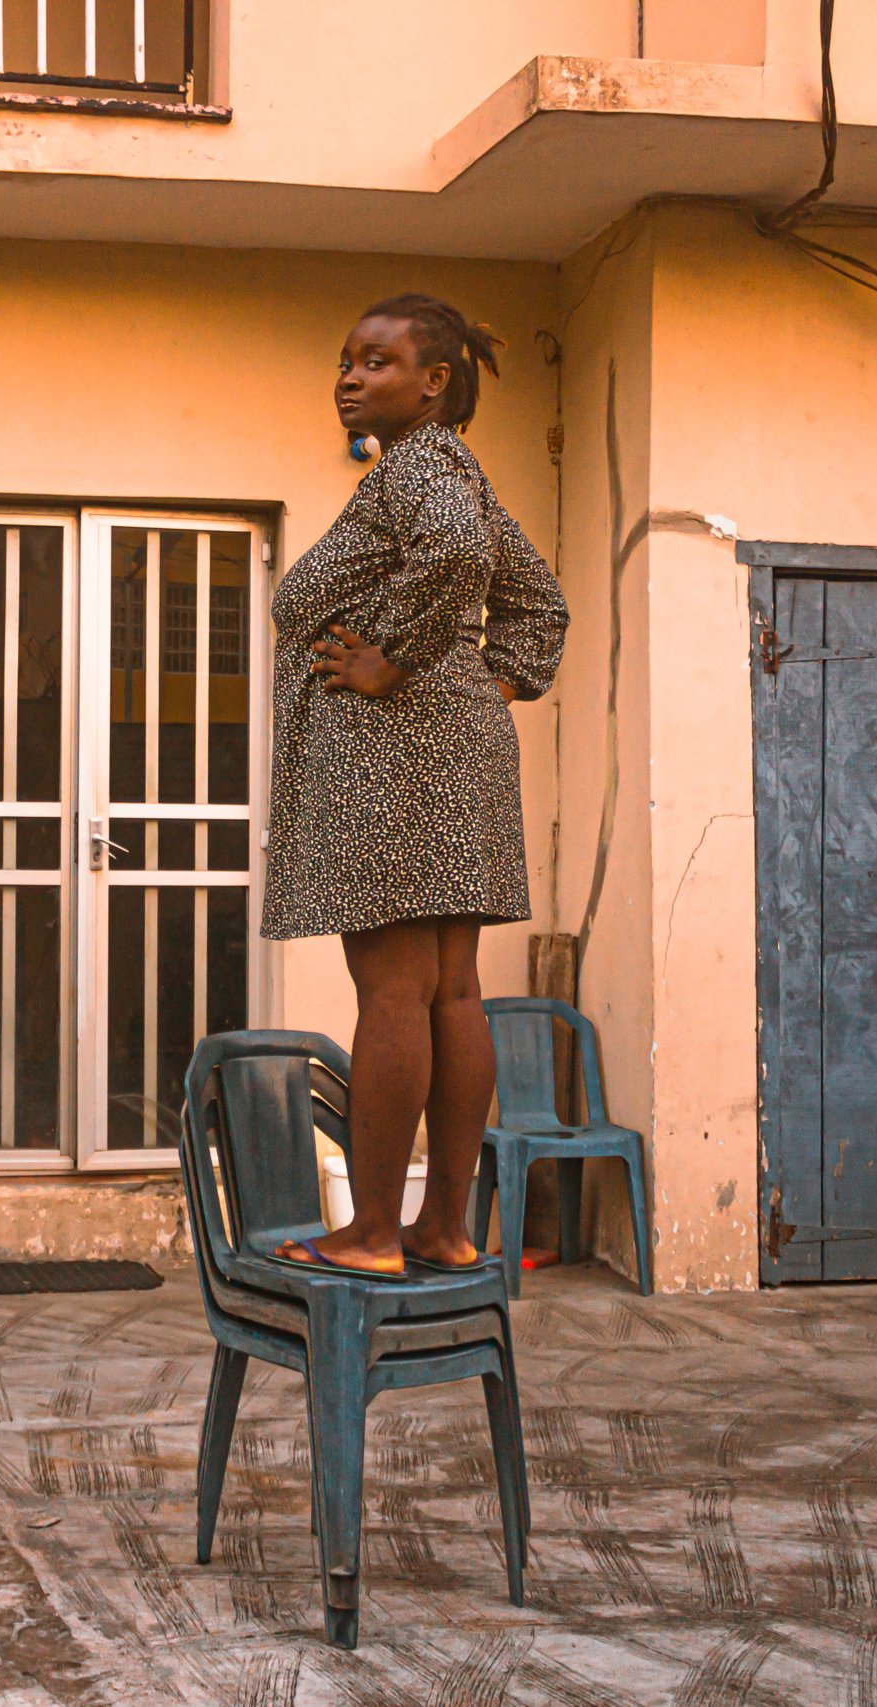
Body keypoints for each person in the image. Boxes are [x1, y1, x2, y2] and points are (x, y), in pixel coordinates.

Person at [259, 292, 568, 1279]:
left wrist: (391, 664)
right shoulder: (454, 474)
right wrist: (494, 680)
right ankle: (441, 1227)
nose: (350, 377)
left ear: (432, 382)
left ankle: (371, 1232)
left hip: (398, 754)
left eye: (376, 362)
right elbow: (537, 601)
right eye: (345, 360)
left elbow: (459, 559)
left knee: (394, 990)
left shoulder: (421, 469)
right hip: (455, 750)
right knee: (449, 993)